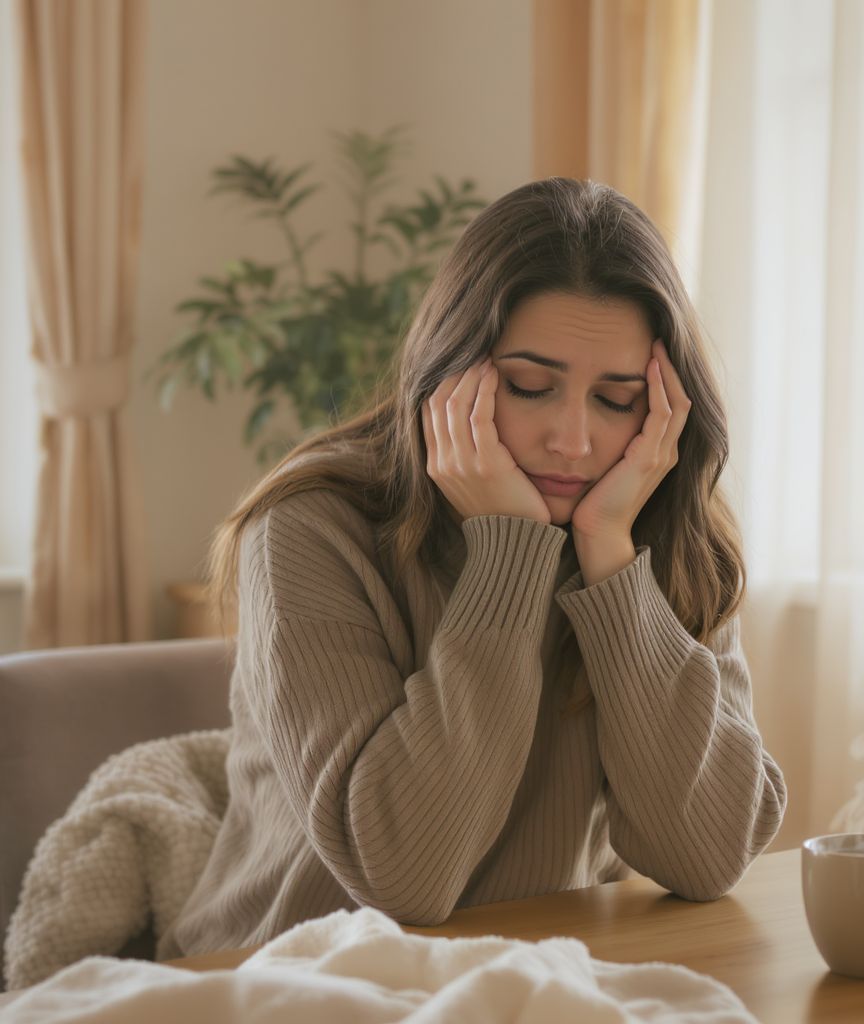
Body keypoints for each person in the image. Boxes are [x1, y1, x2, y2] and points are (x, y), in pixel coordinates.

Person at [159, 177, 787, 959]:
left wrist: (614, 566)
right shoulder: (309, 526)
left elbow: (707, 856)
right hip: (292, 977)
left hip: (539, 978)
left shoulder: (660, 529)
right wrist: (512, 555)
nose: (573, 439)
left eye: (616, 398)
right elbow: (403, 879)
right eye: (530, 386)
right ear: (451, 374)